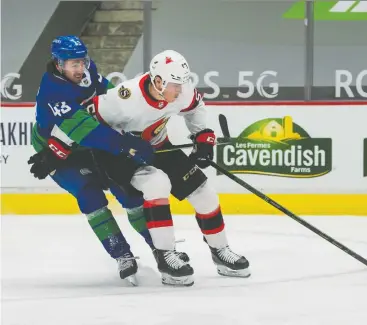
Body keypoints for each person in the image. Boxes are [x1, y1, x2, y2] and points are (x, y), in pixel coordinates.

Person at [83, 49, 251, 286]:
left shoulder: (181, 92)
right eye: (175, 84)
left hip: (158, 146)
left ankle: (220, 251)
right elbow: (86, 122)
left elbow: (195, 108)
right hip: (121, 156)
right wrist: (119, 143)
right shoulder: (125, 97)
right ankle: (166, 256)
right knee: (157, 183)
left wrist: (202, 136)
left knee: (204, 193)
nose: (181, 90)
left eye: (183, 83)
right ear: (158, 81)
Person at [28, 35, 172, 286]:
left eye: (82, 61)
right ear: (58, 63)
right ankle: (121, 254)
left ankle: (160, 248)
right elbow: (87, 131)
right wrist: (127, 145)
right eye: (72, 64)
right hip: (58, 152)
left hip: (91, 142)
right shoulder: (54, 92)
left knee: (127, 190)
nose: (80, 68)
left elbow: (107, 97)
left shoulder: (87, 70)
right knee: (90, 195)